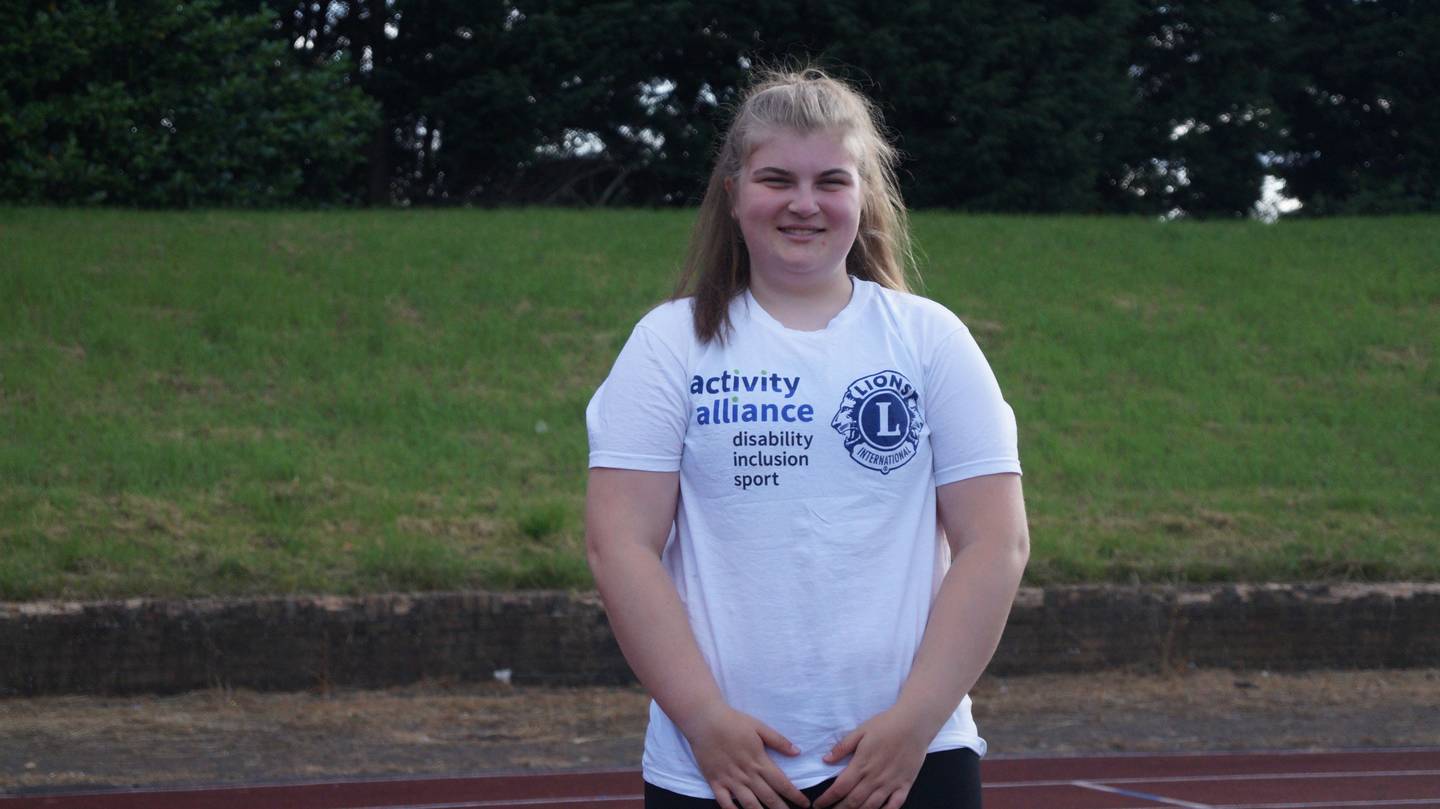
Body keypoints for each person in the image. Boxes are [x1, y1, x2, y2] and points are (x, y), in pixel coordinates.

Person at [584, 66, 1029, 809]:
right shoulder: (669, 344)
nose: (803, 203)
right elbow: (618, 544)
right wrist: (703, 720)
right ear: (733, 194)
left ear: (864, 196)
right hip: (719, 768)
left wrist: (914, 724)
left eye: (830, 180)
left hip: (911, 762)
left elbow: (997, 543)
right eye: (775, 178)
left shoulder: (928, 339)